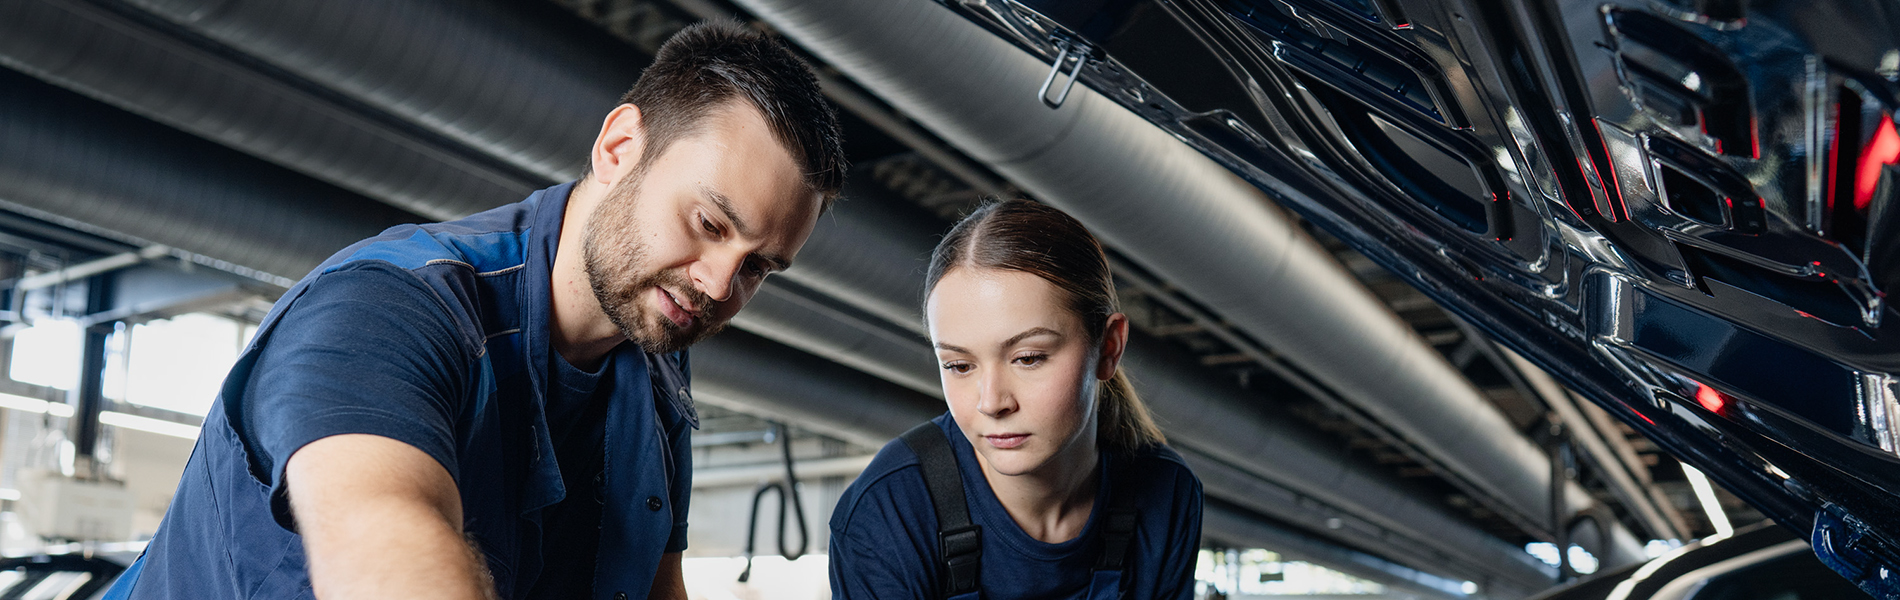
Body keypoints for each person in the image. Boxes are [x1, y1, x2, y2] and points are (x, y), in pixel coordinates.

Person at [104, 21, 846, 600]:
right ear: (619, 149)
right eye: (710, 226)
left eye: (758, 266)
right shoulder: (390, 309)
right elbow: (386, 551)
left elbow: (656, 584)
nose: (720, 286)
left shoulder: (652, 366)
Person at [828, 199, 1203, 600]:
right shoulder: (886, 515)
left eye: (1028, 358)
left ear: (1108, 348)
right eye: (958, 365)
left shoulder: (1167, 495)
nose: (991, 403)